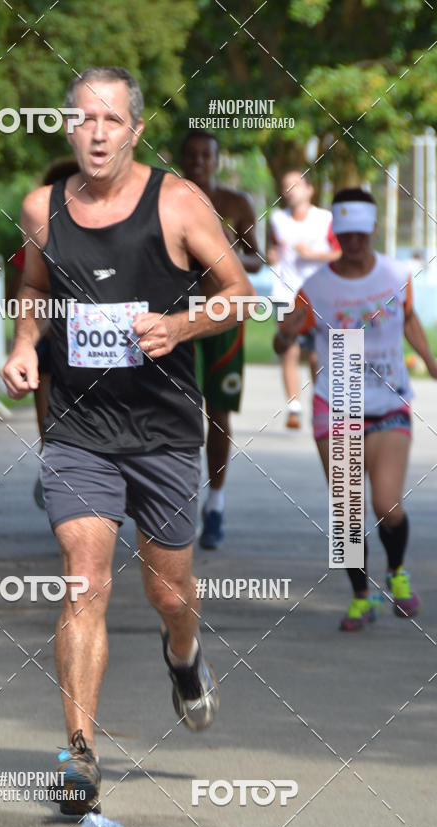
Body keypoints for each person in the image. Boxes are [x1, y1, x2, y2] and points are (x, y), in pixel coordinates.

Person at [1, 66, 255, 815]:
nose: (99, 133)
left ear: (136, 130)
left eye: (113, 120)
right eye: (85, 119)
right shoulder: (41, 209)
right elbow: (38, 289)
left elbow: (238, 293)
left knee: (168, 591)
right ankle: (78, 754)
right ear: (69, 126)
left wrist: (179, 325)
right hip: (81, 430)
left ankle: (184, 655)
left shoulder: (177, 202)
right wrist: (23, 345)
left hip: (165, 430)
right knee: (85, 577)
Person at [275, 187, 437, 631]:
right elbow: (283, 335)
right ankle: (362, 597)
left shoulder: (394, 273)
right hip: (339, 401)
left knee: (386, 504)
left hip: (388, 402)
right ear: (337, 234)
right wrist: (285, 334)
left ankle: (397, 572)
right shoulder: (317, 287)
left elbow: (408, 319)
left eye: (361, 233)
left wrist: (427, 359)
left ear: (373, 229)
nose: (354, 242)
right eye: (346, 234)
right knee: (347, 510)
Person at [180, 129, 263, 549]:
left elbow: (257, 259)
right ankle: (179, 501)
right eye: (191, 156)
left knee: (219, 412)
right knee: (180, 410)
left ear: (216, 160)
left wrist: (227, 251)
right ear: (181, 159)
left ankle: (215, 502)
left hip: (225, 318)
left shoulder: (236, 204)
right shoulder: (167, 200)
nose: (198, 163)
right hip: (179, 318)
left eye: (205, 156)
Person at [7, 159, 80, 507]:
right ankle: (53, 468)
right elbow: (16, 295)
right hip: (50, 345)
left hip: (97, 350)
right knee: (51, 427)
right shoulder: (35, 240)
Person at [268, 170, 341, 428]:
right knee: (289, 349)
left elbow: (339, 254)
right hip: (286, 293)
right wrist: (272, 256)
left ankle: (321, 403)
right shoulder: (277, 219)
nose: (291, 190)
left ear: (310, 189)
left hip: (318, 294)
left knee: (315, 356)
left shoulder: (325, 219)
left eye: (296, 185)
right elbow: (271, 249)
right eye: (286, 186)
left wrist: (312, 254)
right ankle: (293, 407)